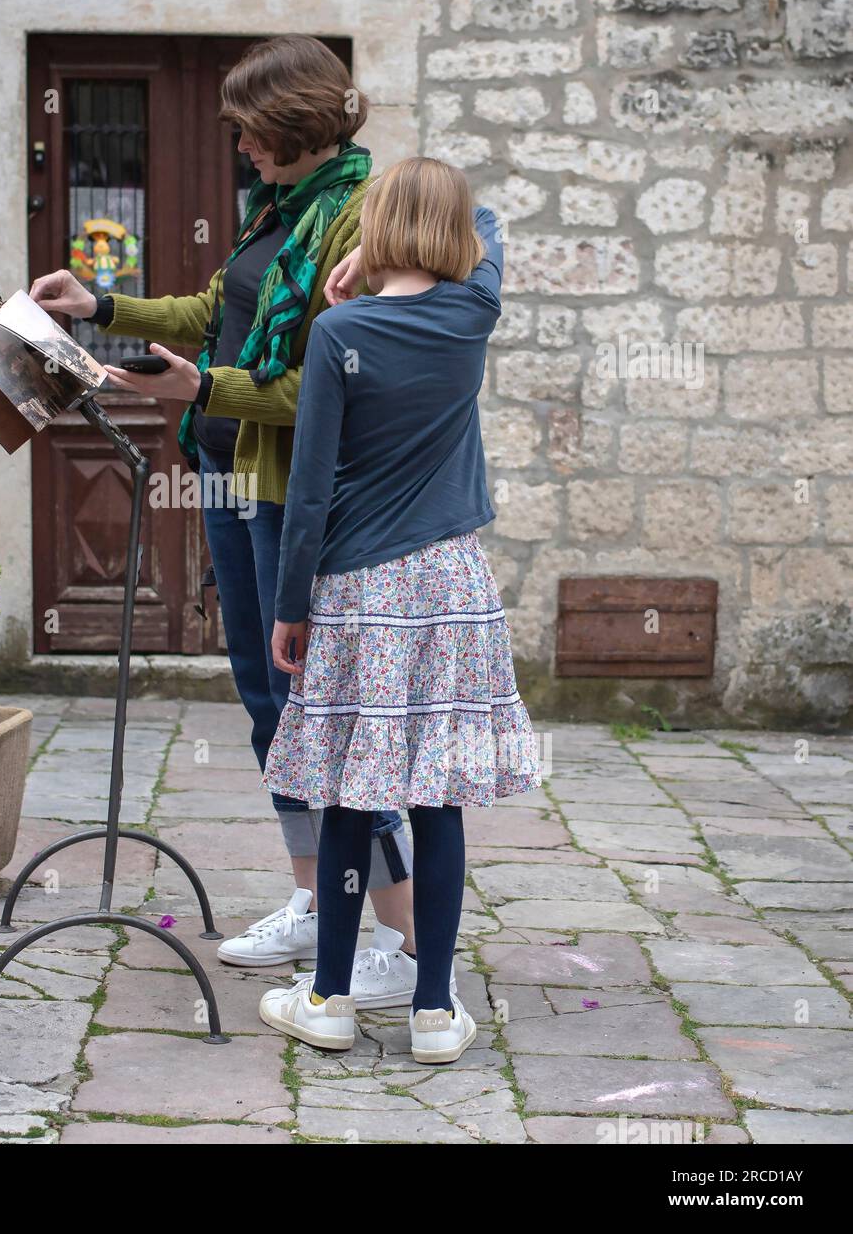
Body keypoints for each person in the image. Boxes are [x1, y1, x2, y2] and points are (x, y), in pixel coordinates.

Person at [29, 35, 426, 1004]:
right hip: (231, 473)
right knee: (268, 703)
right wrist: (104, 303)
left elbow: (335, 383)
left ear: (293, 127)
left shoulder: (357, 224)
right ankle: (313, 902)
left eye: (250, 132)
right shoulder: (277, 209)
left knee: (327, 714)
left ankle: (405, 941)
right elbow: (218, 307)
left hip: (302, 497)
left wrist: (205, 385)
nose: (239, 147)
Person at [255, 156, 541, 1064]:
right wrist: (432, 228)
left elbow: (308, 489)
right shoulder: (471, 315)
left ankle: (330, 999)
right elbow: (487, 225)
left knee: (348, 793)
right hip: (452, 586)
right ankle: (430, 1011)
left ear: (375, 230)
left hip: (357, 588)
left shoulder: (343, 331)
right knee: (438, 797)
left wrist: (289, 604)